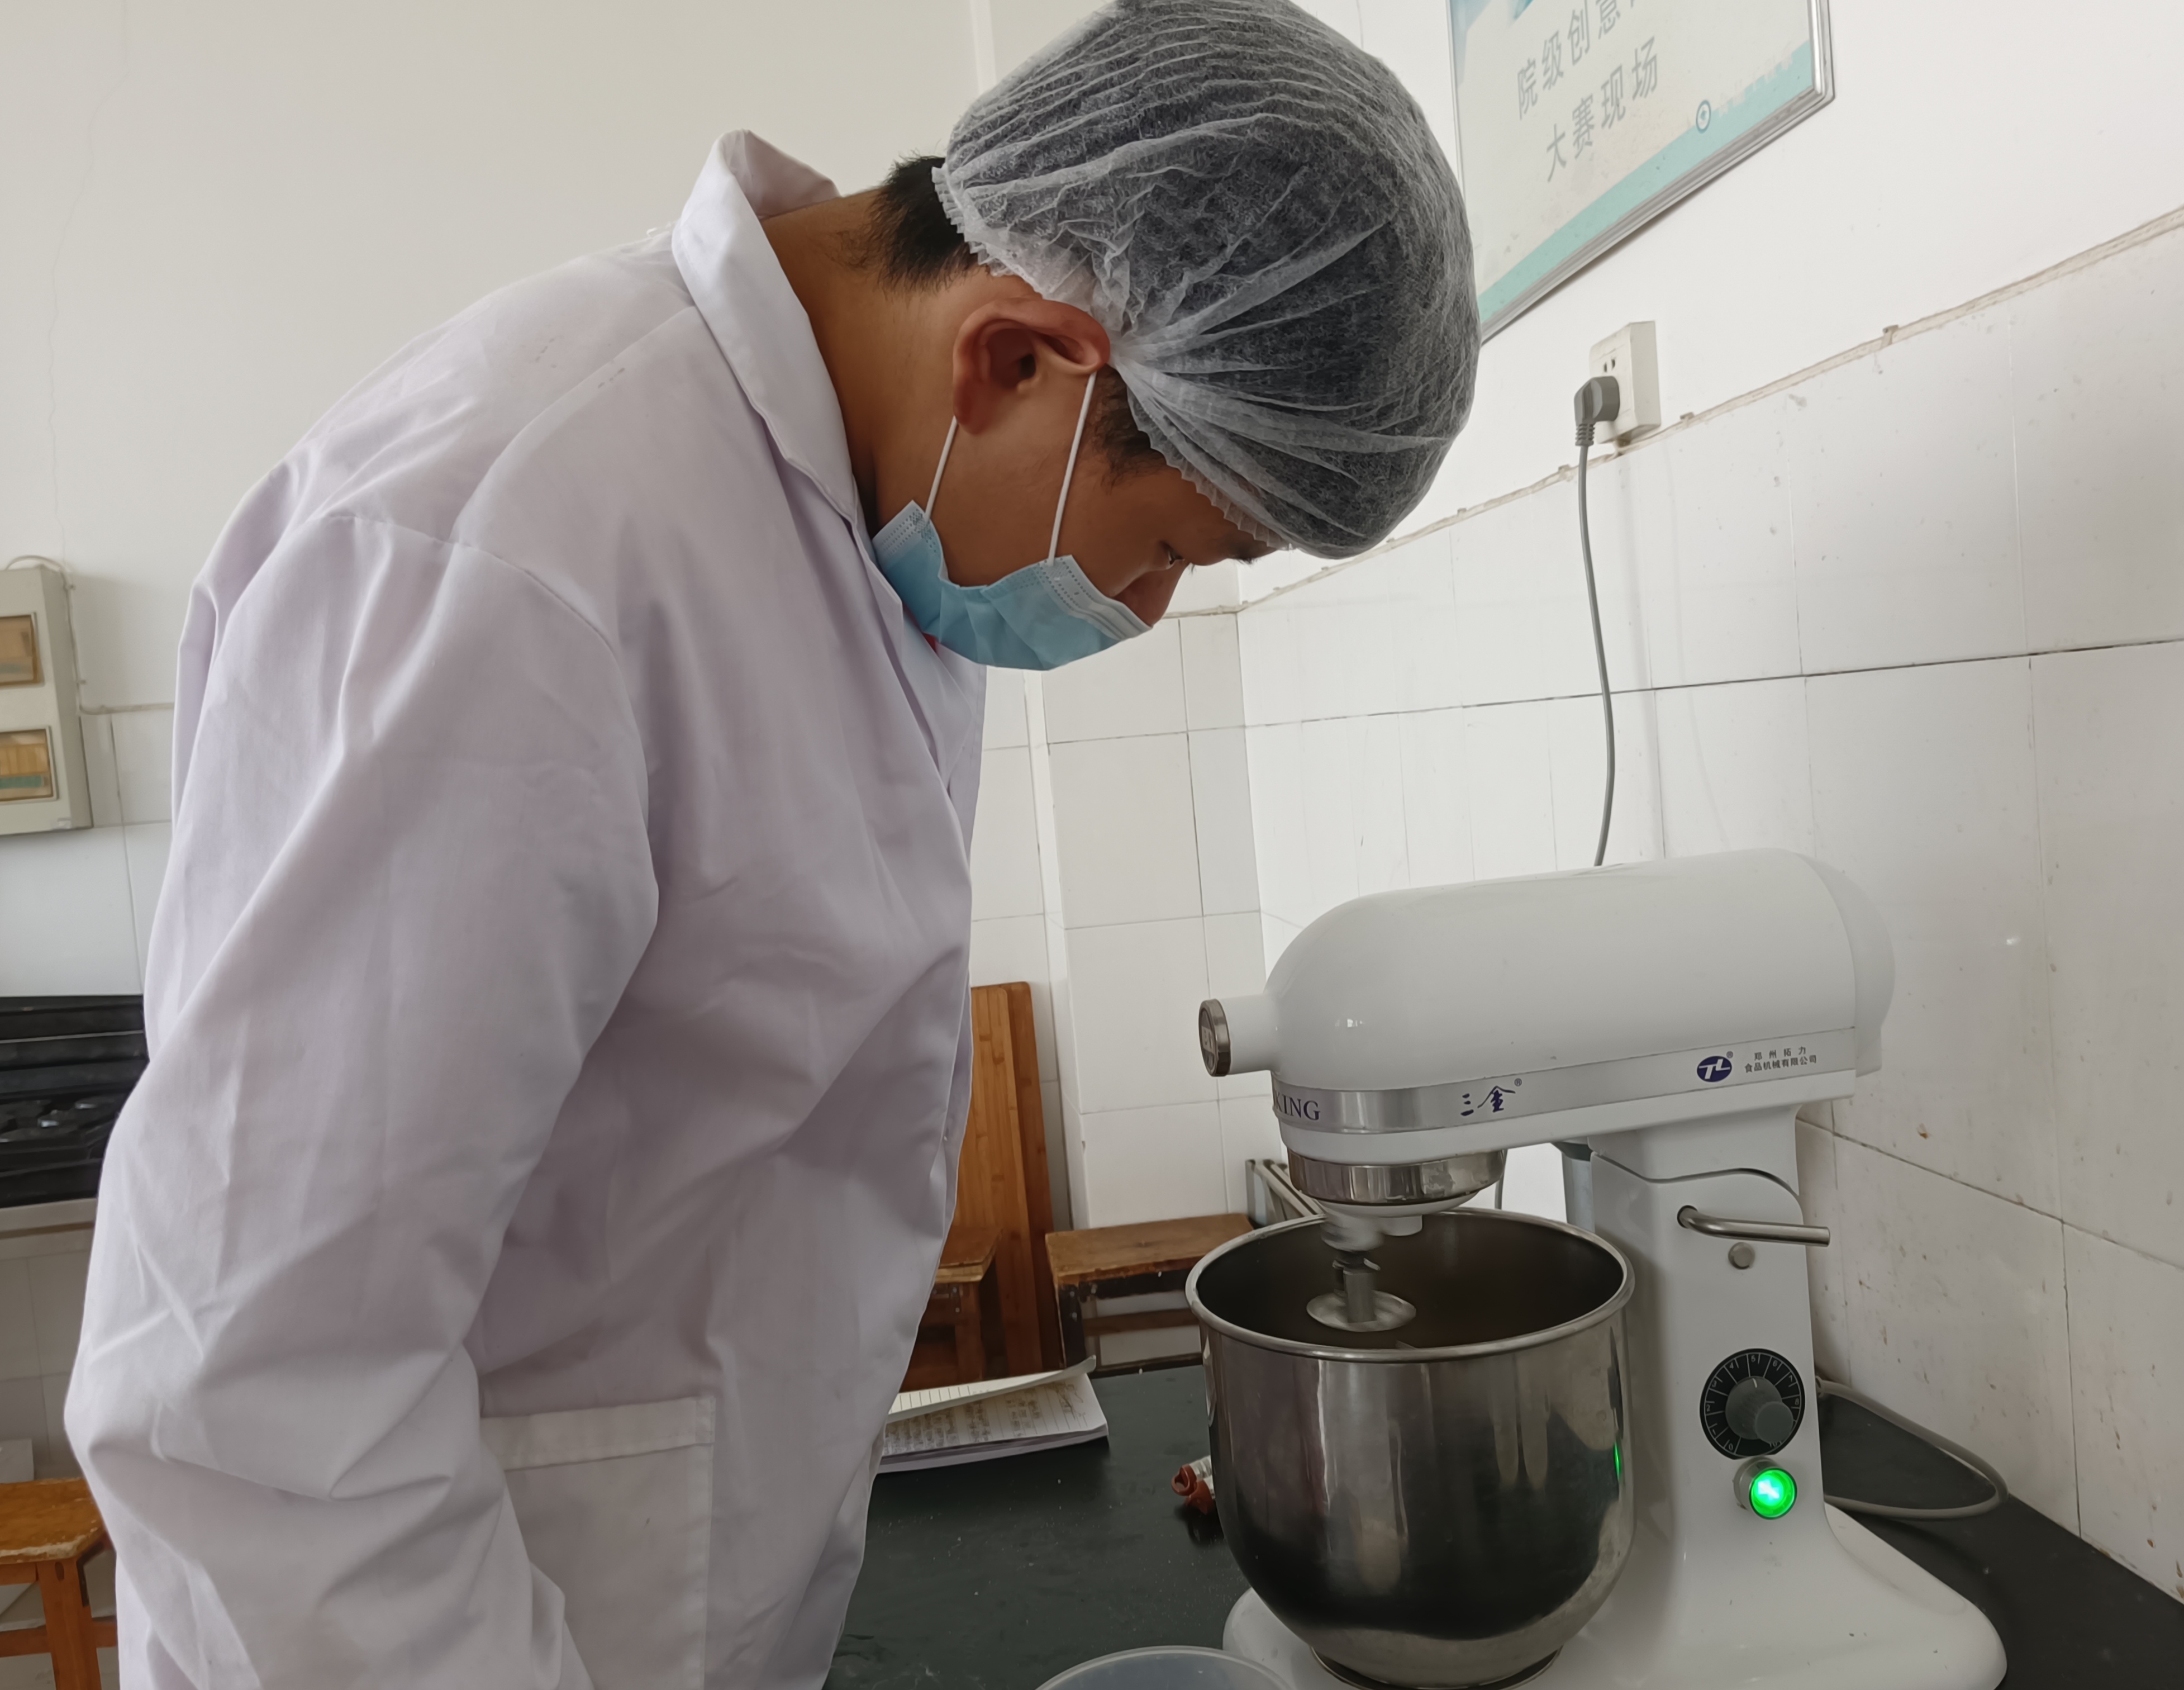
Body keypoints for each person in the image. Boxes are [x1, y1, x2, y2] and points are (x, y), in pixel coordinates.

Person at [65, 1, 1478, 1684]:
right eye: (1171, 550)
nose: (1143, 609)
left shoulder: (861, 509)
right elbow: (257, 1397)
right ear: (1014, 358)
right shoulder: (501, 557)